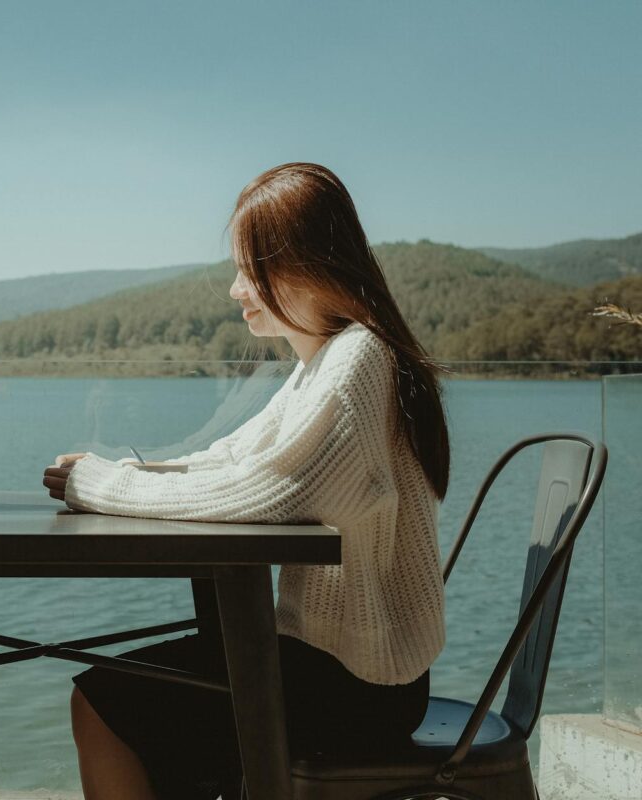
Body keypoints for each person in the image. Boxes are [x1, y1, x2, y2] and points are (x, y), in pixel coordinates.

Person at [43, 162, 449, 800]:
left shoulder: (360, 358)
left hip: (359, 685)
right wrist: (119, 473)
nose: (236, 289)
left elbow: (273, 492)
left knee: (103, 702)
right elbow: (234, 461)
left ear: (306, 264)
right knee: (134, 696)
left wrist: (101, 488)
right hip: (341, 664)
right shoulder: (326, 359)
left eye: (249, 268)